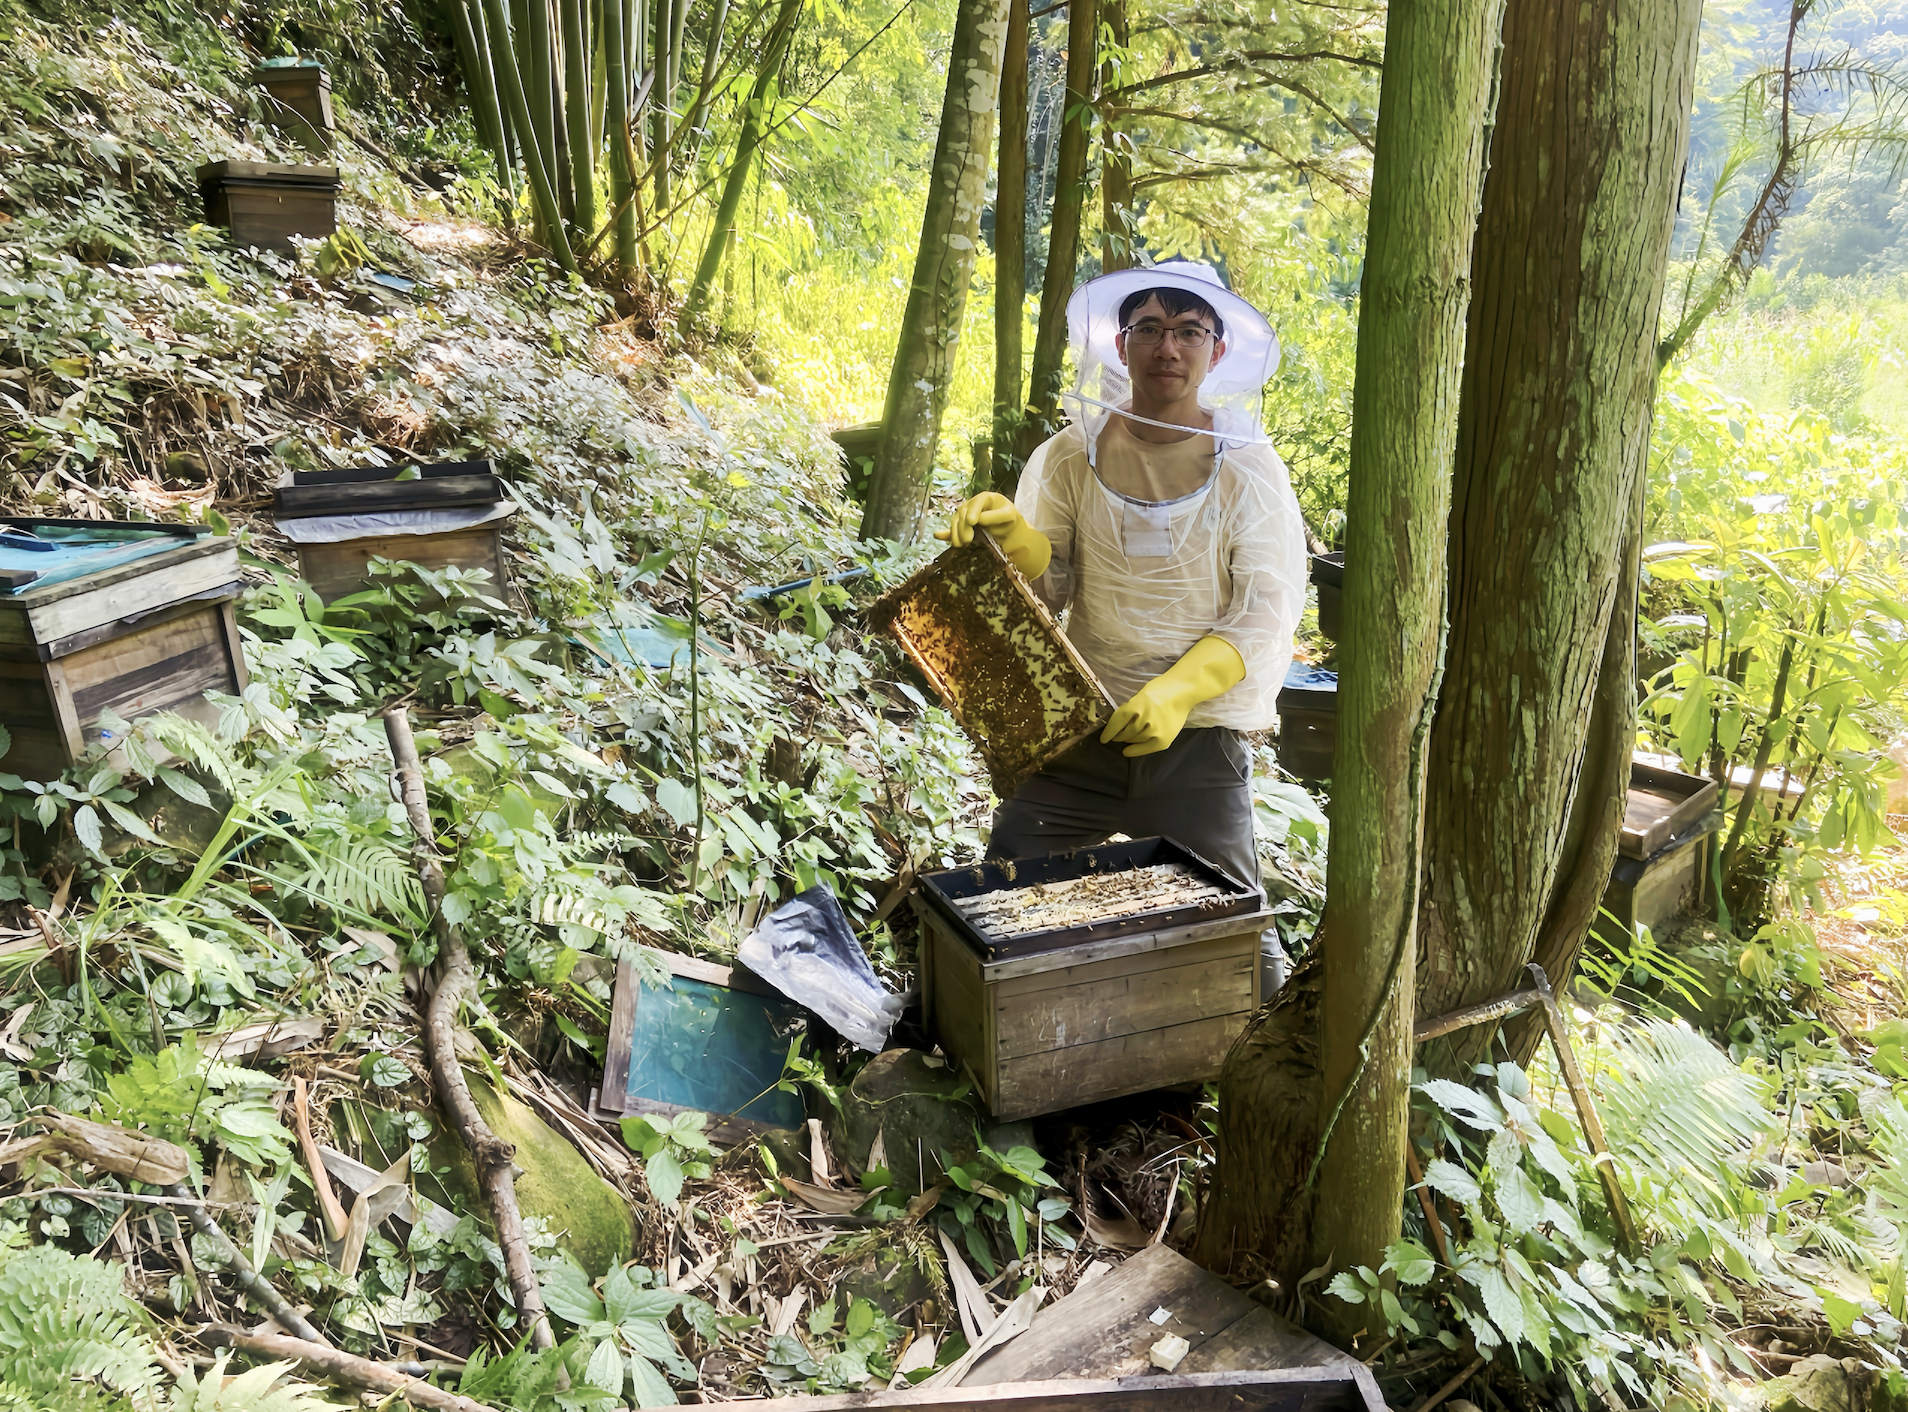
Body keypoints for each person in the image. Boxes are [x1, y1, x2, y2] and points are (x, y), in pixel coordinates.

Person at [937, 262, 1306, 958]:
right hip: (1083, 725)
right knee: (1000, 896)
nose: (1169, 348)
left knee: (1237, 939)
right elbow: (1051, 592)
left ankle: (1256, 1061)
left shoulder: (1249, 467)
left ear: (1216, 350)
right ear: (1122, 342)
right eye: (1151, 328)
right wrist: (1015, 538)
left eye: (1189, 331)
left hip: (1196, 743)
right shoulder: (1073, 454)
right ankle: (948, 1038)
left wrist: (1176, 691)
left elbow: (1264, 611)